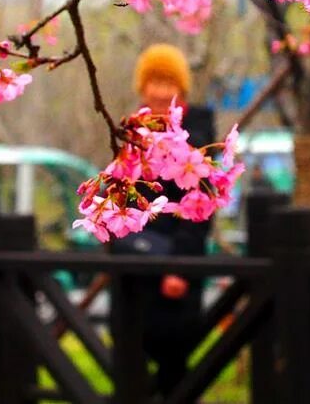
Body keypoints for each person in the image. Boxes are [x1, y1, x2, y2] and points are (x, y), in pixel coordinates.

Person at [115, 43, 215, 398]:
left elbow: (199, 210)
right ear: (142, 87)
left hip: (174, 263)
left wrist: (180, 267)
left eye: (167, 83)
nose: (159, 92)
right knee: (130, 351)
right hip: (136, 261)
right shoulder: (133, 133)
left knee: (173, 355)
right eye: (153, 82)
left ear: (181, 90)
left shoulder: (196, 137)